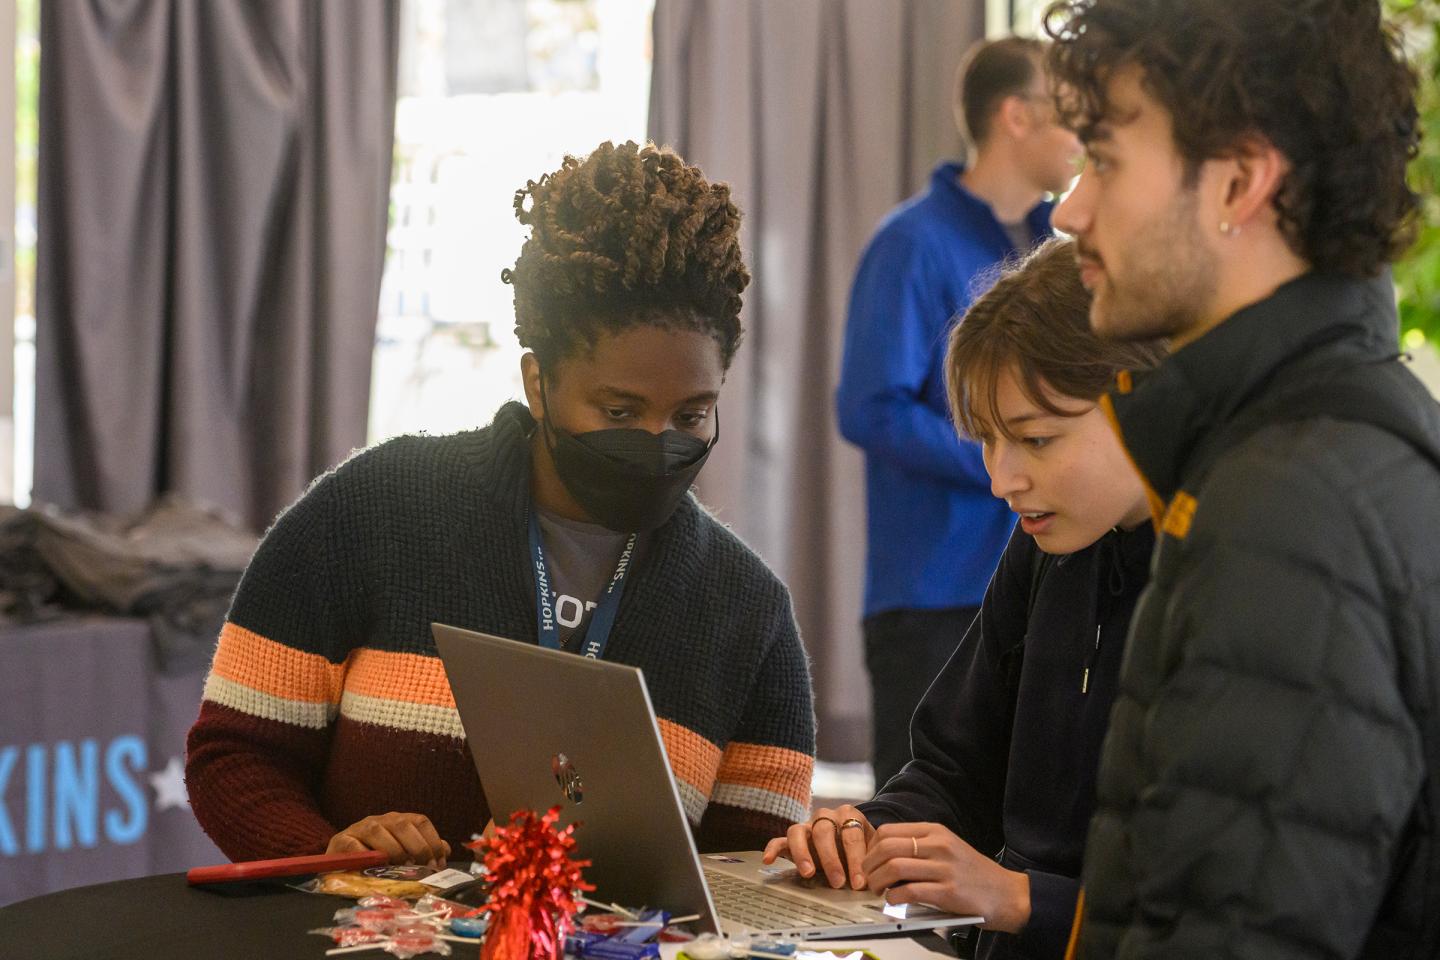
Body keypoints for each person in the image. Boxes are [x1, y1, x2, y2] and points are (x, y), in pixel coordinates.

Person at [185, 141, 816, 866]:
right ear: (538, 383)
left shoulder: (748, 613)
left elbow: (746, 881)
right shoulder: (372, 512)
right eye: (618, 411)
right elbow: (235, 753)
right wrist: (336, 857)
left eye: (690, 416)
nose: (656, 442)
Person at [1041, 0, 1440, 955]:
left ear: (1241, 181)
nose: (1070, 210)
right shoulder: (1330, 442)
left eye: (1105, 157)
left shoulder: (1290, 508)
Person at [769, 238, 1165, 960]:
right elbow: (954, 769)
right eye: (987, 441)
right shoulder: (1047, 550)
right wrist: (867, 832)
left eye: (1036, 440)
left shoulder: (1222, 582)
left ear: (1139, 403)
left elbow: (1213, 911)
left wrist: (1021, 900)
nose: (1001, 480)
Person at [835, 37, 1083, 788]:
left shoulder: (1063, 248)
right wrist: (1005, 459)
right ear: (1016, 116)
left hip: (1042, 582)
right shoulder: (910, 242)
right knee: (917, 820)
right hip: (933, 595)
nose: (1083, 136)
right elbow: (868, 407)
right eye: (1068, 114)